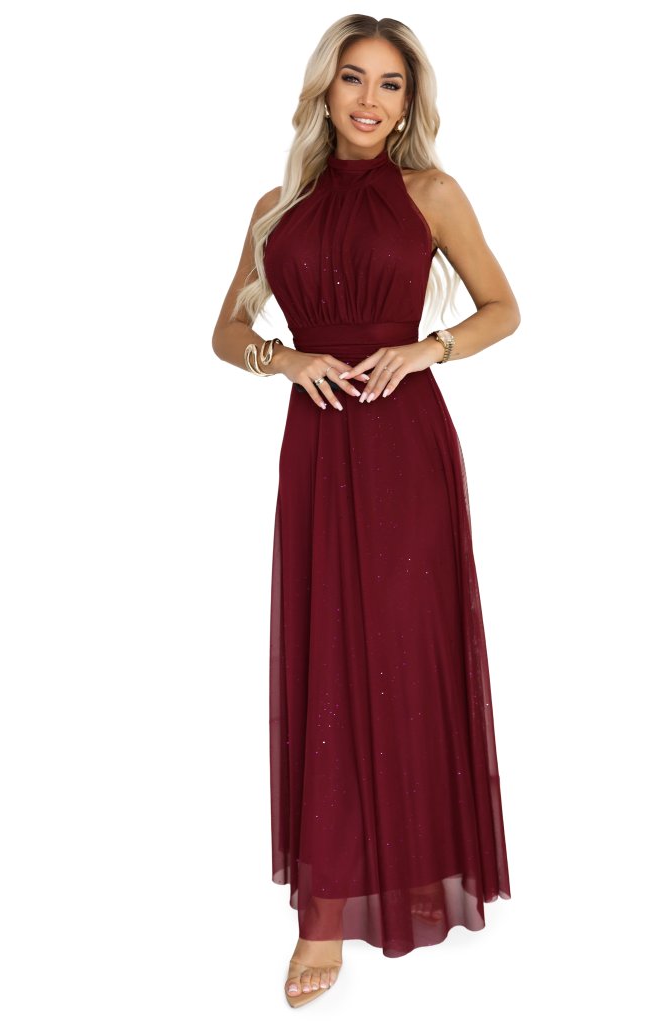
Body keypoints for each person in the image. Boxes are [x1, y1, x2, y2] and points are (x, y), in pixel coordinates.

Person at [212, 15, 520, 1007]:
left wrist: (427, 348)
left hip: (404, 444)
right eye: (354, 78)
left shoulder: (432, 193)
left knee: (399, 654)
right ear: (324, 89)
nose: (370, 100)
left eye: (391, 84)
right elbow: (224, 331)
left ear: (408, 102)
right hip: (315, 445)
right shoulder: (276, 207)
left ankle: (412, 868)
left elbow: (503, 307)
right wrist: (282, 357)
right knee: (327, 660)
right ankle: (324, 915)